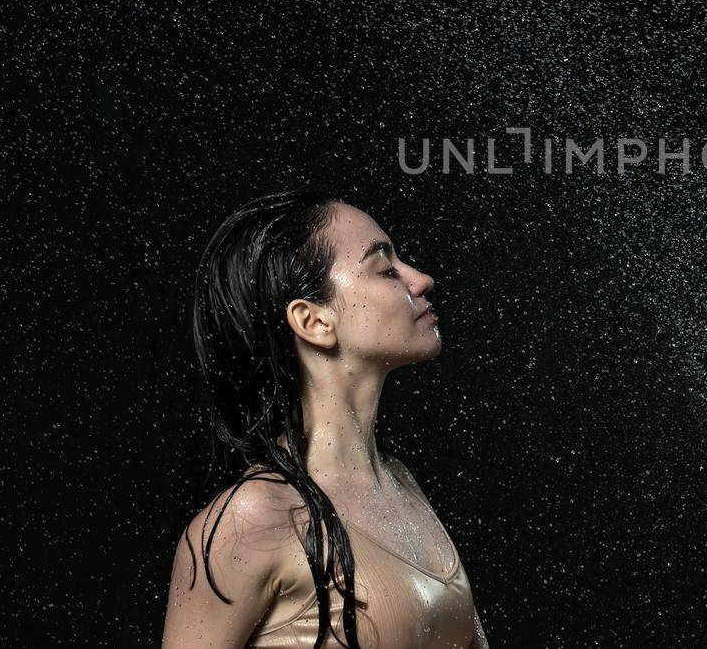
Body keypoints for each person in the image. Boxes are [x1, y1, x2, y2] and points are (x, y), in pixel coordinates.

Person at [161, 190, 489, 648]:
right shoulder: (253, 518)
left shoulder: (400, 486)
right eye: (386, 268)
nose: (421, 279)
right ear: (313, 321)